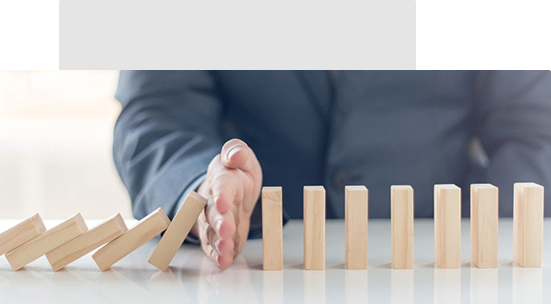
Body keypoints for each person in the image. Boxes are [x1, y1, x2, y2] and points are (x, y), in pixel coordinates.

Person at [113, 71, 551, 270]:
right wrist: (203, 192)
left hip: (445, 285)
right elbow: (156, 116)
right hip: (248, 283)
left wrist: (476, 252)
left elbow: (536, 130)